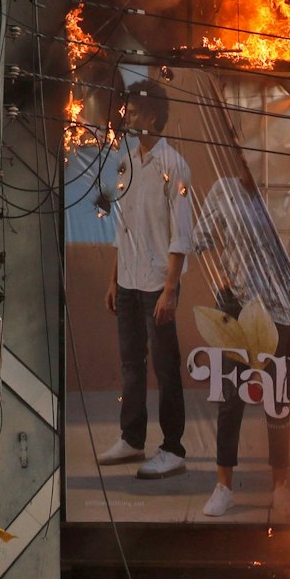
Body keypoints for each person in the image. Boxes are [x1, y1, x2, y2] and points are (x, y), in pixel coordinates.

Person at [95, 82, 192, 480]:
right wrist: (114, 279)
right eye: (128, 112)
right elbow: (125, 228)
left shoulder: (174, 164)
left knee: (165, 368)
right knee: (131, 364)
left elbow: (181, 233)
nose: (128, 118)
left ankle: (173, 448)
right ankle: (132, 438)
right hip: (130, 282)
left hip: (157, 285)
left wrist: (170, 289)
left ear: (152, 116)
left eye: (135, 112)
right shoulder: (126, 163)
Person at [193, 163, 290, 518]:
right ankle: (224, 487)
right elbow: (201, 238)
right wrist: (222, 276)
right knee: (230, 398)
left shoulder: (280, 194)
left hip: (278, 311)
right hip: (237, 308)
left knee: (277, 402)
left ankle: (280, 488)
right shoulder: (224, 189)